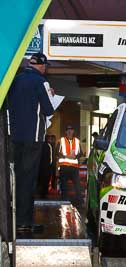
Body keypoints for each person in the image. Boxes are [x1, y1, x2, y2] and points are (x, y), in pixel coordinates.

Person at [8, 52, 54, 232]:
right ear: (42, 66)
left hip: (14, 138)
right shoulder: (40, 82)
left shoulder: (15, 80)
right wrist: (49, 95)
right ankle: (24, 222)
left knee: (16, 178)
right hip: (33, 139)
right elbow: (49, 109)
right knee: (28, 180)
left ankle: (12, 221)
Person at [56, 125, 83, 207]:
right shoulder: (61, 140)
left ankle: (78, 200)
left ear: (73, 131)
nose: (69, 131)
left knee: (77, 184)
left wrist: (76, 156)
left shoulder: (77, 141)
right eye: (68, 130)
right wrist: (65, 156)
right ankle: (64, 199)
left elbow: (81, 152)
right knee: (64, 184)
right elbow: (56, 152)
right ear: (65, 132)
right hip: (64, 166)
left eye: (71, 130)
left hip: (74, 167)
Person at [37, 135, 53, 199]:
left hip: (39, 166)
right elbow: (51, 158)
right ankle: (44, 194)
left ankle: (40, 193)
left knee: (40, 180)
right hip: (46, 167)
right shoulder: (49, 146)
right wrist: (50, 166)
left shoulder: (39, 145)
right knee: (45, 181)